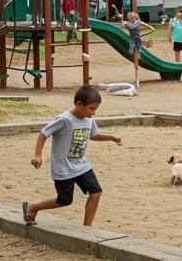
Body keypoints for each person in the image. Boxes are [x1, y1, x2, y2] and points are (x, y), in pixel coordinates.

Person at [22, 84, 122, 227]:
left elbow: (93, 135)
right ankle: (32, 207)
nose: (93, 112)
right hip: (63, 169)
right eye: (91, 108)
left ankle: (87, 227)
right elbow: (44, 133)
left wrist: (111, 137)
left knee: (96, 193)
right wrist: (38, 155)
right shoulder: (64, 119)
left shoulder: (89, 119)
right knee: (64, 200)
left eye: (95, 109)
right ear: (79, 104)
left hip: (81, 165)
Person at [122, 12, 155, 86]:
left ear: (134, 17)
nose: (130, 19)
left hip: (136, 42)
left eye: (131, 17)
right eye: (129, 18)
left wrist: (149, 32)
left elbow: (152, 28)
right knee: (133, 56)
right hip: (134, 41)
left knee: (136, 59)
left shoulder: (136, 23)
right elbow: (152, 28)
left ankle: (136, 79)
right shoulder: (128, 24)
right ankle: (136, 76)